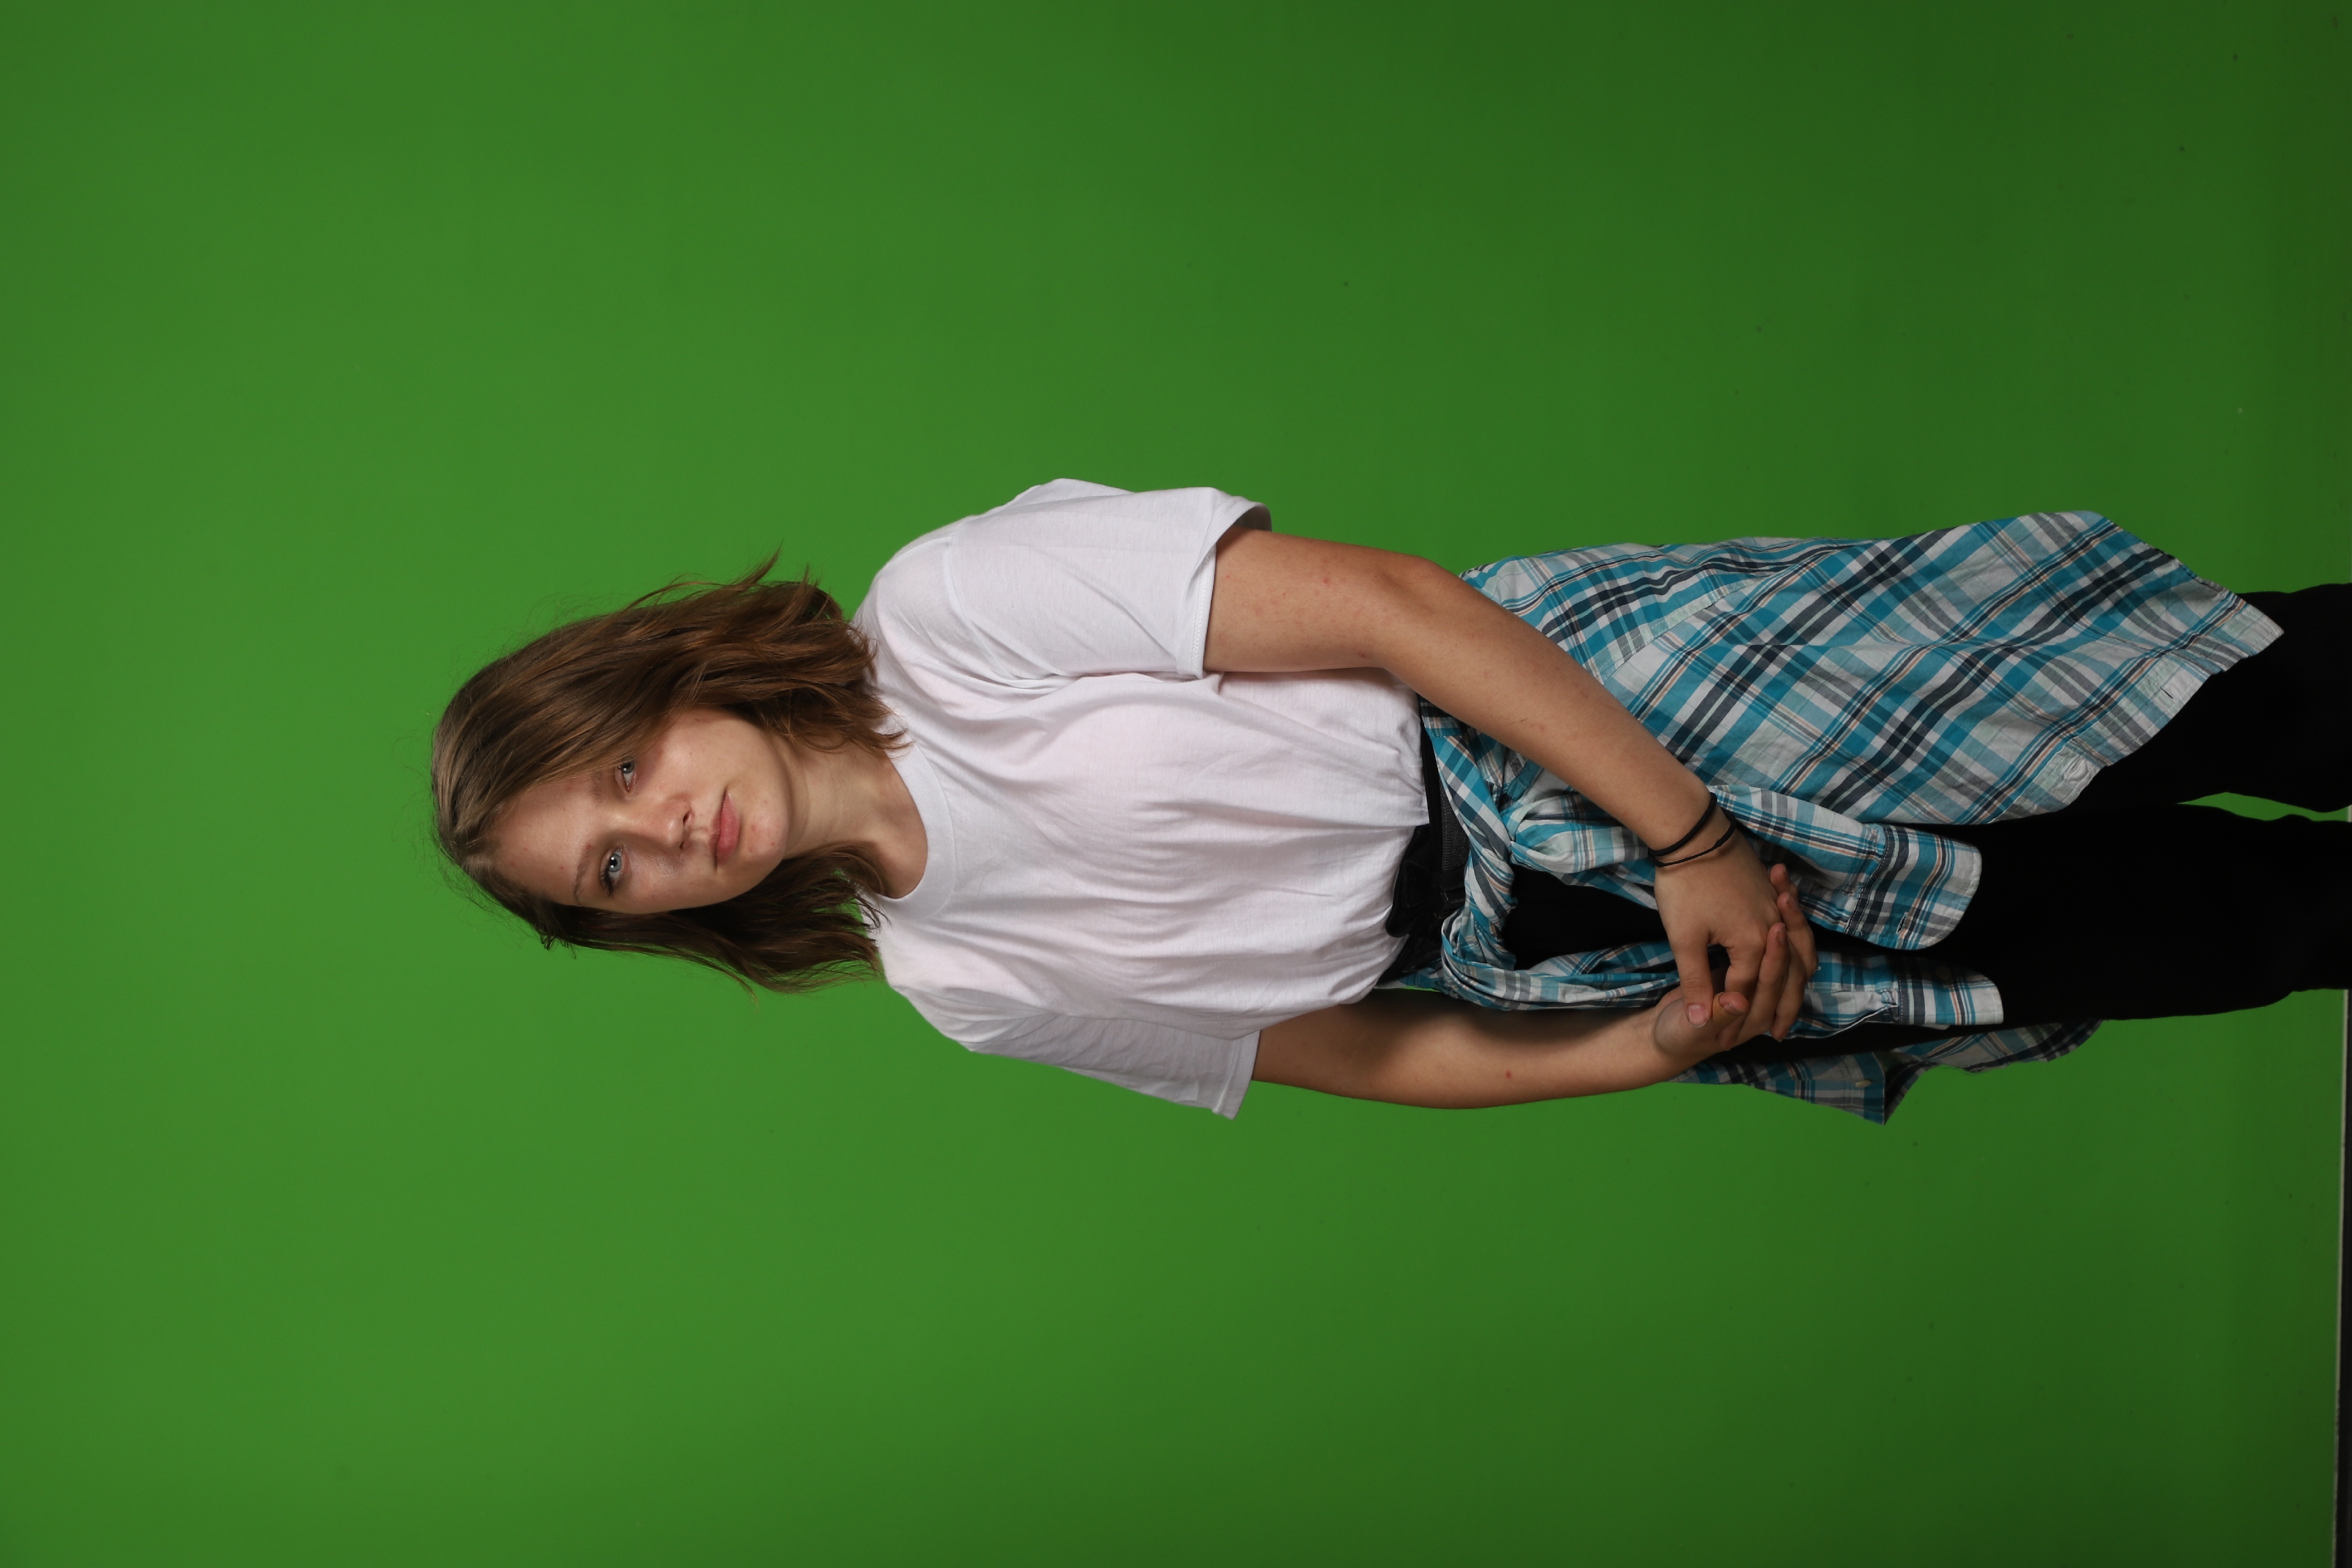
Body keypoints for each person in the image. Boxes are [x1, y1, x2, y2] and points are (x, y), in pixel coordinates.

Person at [433, 480, 2348, 1123]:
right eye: (613, 872)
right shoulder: (963, 983)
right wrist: (1664, 1043)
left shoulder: (948, 614)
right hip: (1571, 951)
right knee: (2214, 936)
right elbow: (1365, 1049)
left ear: (663, 682)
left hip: (1598, 724)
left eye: (625, 772)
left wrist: (1689, 837)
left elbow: (1391, 611)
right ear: (648, 923)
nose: (663, 833)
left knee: (2244, 701)